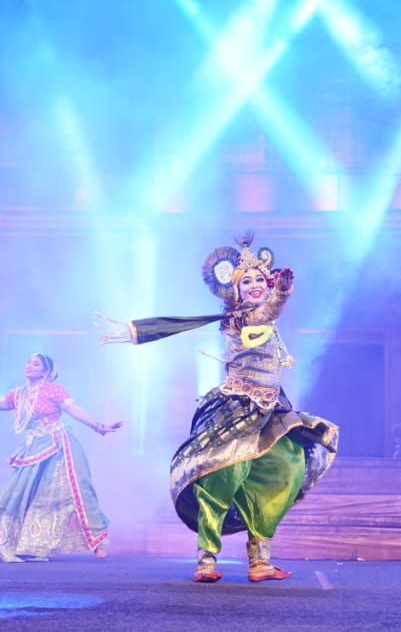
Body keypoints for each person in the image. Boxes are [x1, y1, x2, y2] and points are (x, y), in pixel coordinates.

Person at [97, 234, 339, 583]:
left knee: (286, 466)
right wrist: (282, 294)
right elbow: (268, 311)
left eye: (260, 279)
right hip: (238, 409)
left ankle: (260, 561)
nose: (255, 286)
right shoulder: (246, 318)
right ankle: (206, 559)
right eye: (247, 282)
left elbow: (269, 313)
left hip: (270, 410)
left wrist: (279, 292)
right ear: (235, 291)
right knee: (224, 475)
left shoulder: (257, 316)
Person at [0, 353, 122, 561]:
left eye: (36, 364)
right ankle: (27, 545)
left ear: (46, 371)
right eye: (28, 362)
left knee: (78, 490)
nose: (29, 366)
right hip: (33, 448)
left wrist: (99, 427)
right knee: (19, 494)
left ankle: (97, 543)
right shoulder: (18, 394)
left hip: (60, 446)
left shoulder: (53, 389)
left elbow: (73, 410)